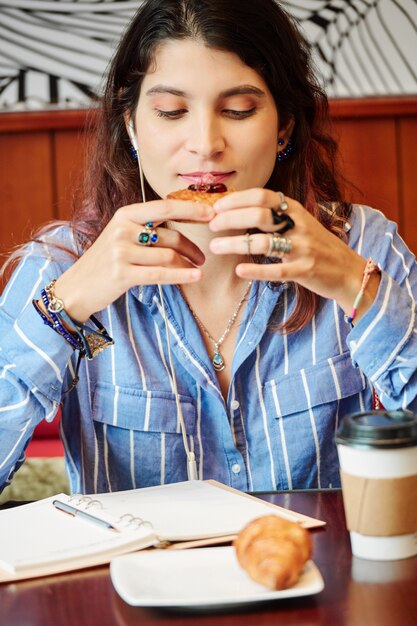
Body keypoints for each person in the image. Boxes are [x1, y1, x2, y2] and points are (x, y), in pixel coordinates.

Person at [0, 0, 416, 495]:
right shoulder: (61, 265)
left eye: (238, 110)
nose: (205, 143)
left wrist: (354, 286)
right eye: (171, 112)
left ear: (284, 125)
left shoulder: (364, 245)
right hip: (132, 573)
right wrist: (63, 309)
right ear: (132, 125)